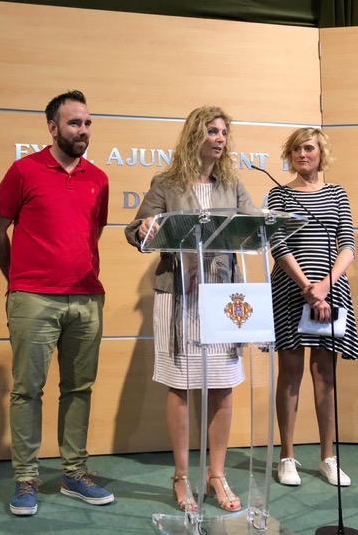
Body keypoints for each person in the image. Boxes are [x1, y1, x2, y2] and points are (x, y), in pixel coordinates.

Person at [0, 90, 114, 516]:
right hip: (34, 300)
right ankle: (26, 479)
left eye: (88, 123)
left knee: (79, 389)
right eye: (74, 123)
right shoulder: (24, 171)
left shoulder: (99, 179)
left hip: (87, 299)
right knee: (28, 390)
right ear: (52, 127)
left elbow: (91, 234)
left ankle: (74, 474)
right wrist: (17, 280)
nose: (83, 130)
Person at [124, 106, 254, 513]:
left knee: (222, 385)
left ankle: (217, 475)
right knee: (180, 384)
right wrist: (145, 229)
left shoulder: (232, 184)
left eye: (223, 133)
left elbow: (253, 226)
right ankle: (181, 477)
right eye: (212, 131)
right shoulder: (167, 183)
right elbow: (136, 231)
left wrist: (264, 223)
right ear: (195, 135)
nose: (220, 139)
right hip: (179, 294)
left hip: (222, 295)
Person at [266, 127, 358, 488]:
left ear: (322, 153)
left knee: (325, 374)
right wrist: (307, 287)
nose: (302, 154)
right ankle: (287, 457)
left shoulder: (337, 193)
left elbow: (347, 245)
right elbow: (278, 244)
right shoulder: (279, 193)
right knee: (290, 372)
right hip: (290, 291)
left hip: (330, 293)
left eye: (308, 148)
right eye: (296, 149)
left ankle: (327, 458)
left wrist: (323, 287)